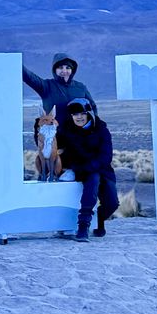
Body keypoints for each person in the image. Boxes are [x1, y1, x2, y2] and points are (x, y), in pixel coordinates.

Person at [55, 99, 116, 240]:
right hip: (82, 171)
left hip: (103, 170)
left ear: (88, 113)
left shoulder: (101, 129)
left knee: (112, 204)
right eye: (75, 114)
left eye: (82, 113)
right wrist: (39, 130)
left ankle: (99, 221)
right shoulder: (66, 131)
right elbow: (55, 148)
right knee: (92, 183)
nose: (79, 117)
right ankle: (83, 226)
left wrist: (88, 167)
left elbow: (106, 156)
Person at [23, 55, 94, 118]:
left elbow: (92, 107)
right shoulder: (46, 86)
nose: (64, 70)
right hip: (55, 131)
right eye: (60, 67)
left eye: (68, 67)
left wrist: (96, 127)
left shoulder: (80, 87)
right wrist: (15, 62)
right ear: (55, 70)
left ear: (72, 70)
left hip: (78, 132)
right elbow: (29, 76)